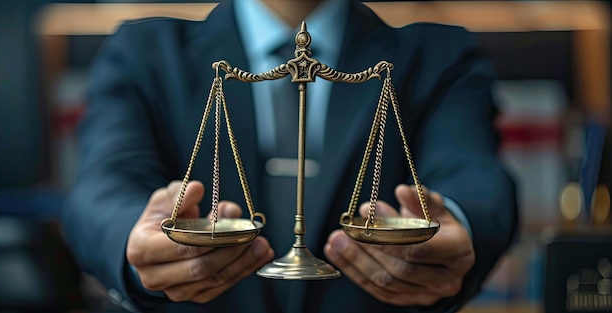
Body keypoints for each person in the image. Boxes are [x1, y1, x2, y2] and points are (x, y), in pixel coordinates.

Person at [61, 0, 518, 312]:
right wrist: (134, 244)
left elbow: (476, 177)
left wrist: (456, 231)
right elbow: (101, 188)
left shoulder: (437, 56)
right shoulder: (144, 53)